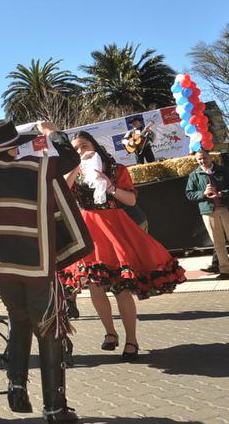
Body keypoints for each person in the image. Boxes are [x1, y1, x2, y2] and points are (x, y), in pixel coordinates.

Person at [0, 119, 90, 424]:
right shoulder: (32, 168)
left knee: (18, 317)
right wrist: (51, 133)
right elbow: (69, 157)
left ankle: (16, 387)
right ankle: (54, 406)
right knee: (49, 326)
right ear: (13, 147)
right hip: (34, 261)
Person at [59, 131, 187, 361]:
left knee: (122, 289)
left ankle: (131, 340)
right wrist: (74, 166)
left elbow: (131, 200)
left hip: (115, 226)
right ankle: (110, 332)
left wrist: (110, 187)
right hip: (89, 230)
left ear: (95, 145)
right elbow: (61, 193)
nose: (80, 151)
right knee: (95, 287)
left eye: (84, 145)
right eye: (75, 148)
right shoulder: (75, 172)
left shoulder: (116, 170)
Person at [186, 149, 229, 278]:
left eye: (204, 158)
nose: (202, 161)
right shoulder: (194, 175)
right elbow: (189, 194)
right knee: (217, 242)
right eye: (199, 159)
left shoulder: (224, 171)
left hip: (227, 209)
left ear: (210, 157)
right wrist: (203, 193)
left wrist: (222, 193)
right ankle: (225, 271)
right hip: (208, 211)